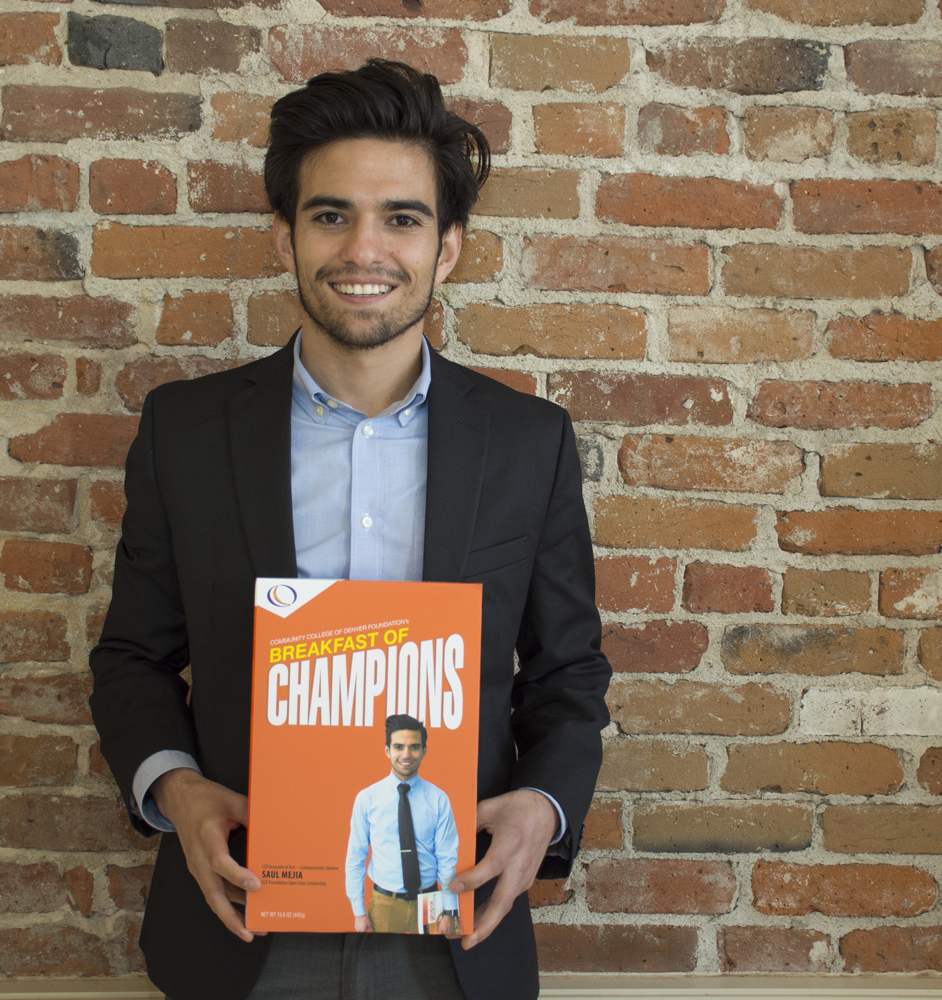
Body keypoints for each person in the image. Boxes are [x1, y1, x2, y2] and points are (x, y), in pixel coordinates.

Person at [89, 58, 611, 1000]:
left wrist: (544, 806)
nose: (363, 249)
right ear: (285, 233)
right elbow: (132, 657)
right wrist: (176, 786)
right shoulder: (187, 431)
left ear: (447, 247)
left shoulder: (529, 444)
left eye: (402, 218)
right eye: (331, 215)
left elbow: (568, 671)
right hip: (242, 929)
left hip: (453, 934)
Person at [345, 714, 460, 936]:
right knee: (381, 966)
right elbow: (355, 857)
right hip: (385, 904)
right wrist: (358, 912)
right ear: (387, 750)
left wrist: (451, 911)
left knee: (430, 967)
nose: (406, 754)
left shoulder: (438, 799)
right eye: (399, 747)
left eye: (414, 747)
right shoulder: (367, 798)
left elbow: (447, 858)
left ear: (424, 751)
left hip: (431, 902)